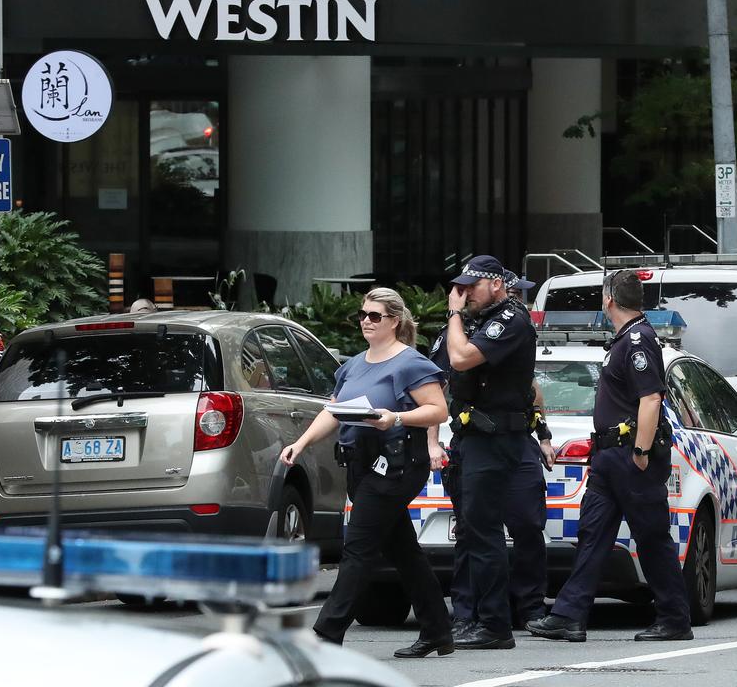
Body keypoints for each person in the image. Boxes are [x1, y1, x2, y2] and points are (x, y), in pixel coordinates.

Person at [278, 287, 452, 658]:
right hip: (360, 463)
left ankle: (325, 635)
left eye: (375, 316)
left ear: (395, 320)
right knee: (404, 551)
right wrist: (302, 443)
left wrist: (397, 417)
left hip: (399, 464)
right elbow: (334, 409)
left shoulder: (410, 362)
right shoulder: (356, 364)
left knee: (357, 550)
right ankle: (438, 630)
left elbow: (438, 410)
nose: (366, 322)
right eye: (363, 315)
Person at [527, 270, 693, 643]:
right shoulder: (623, 339)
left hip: (630, 455)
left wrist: (641, 451)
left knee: (650, 537)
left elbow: (651, 398)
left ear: (608, 300)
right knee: (593, 533)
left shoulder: (637, 339)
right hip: (608, 456)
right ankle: (569, 615)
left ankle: (673, 618)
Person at [428, 269, 555, 639]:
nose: (463, 295)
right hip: (473, 439)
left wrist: (543, 433)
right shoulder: (464, 328)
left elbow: (526, 387)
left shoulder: (509, 322)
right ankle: (473, 615)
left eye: (471, 288)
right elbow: (434, 385)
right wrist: (432, 442)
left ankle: (504, 617)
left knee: (518, 527)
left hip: (503, 438)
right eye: (461, 290)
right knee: (476, 531)